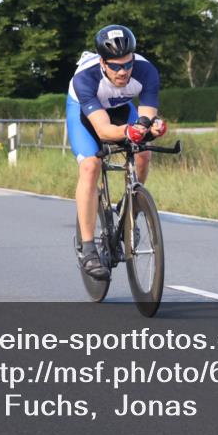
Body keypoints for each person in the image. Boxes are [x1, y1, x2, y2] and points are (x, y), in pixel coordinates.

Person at [66, 24, 167, 279]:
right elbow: (103, 130)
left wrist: (150, 126)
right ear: (102, 62)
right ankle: (88, 249)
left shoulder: (146, 71)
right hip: (86, 114)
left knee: (144, 152)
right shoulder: (85, 79)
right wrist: (127, 132)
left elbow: (145, 118)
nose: (123, 72)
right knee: (91, 166)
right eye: (115, 66)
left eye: (127, 64)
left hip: (121, 108)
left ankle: (128, 212)